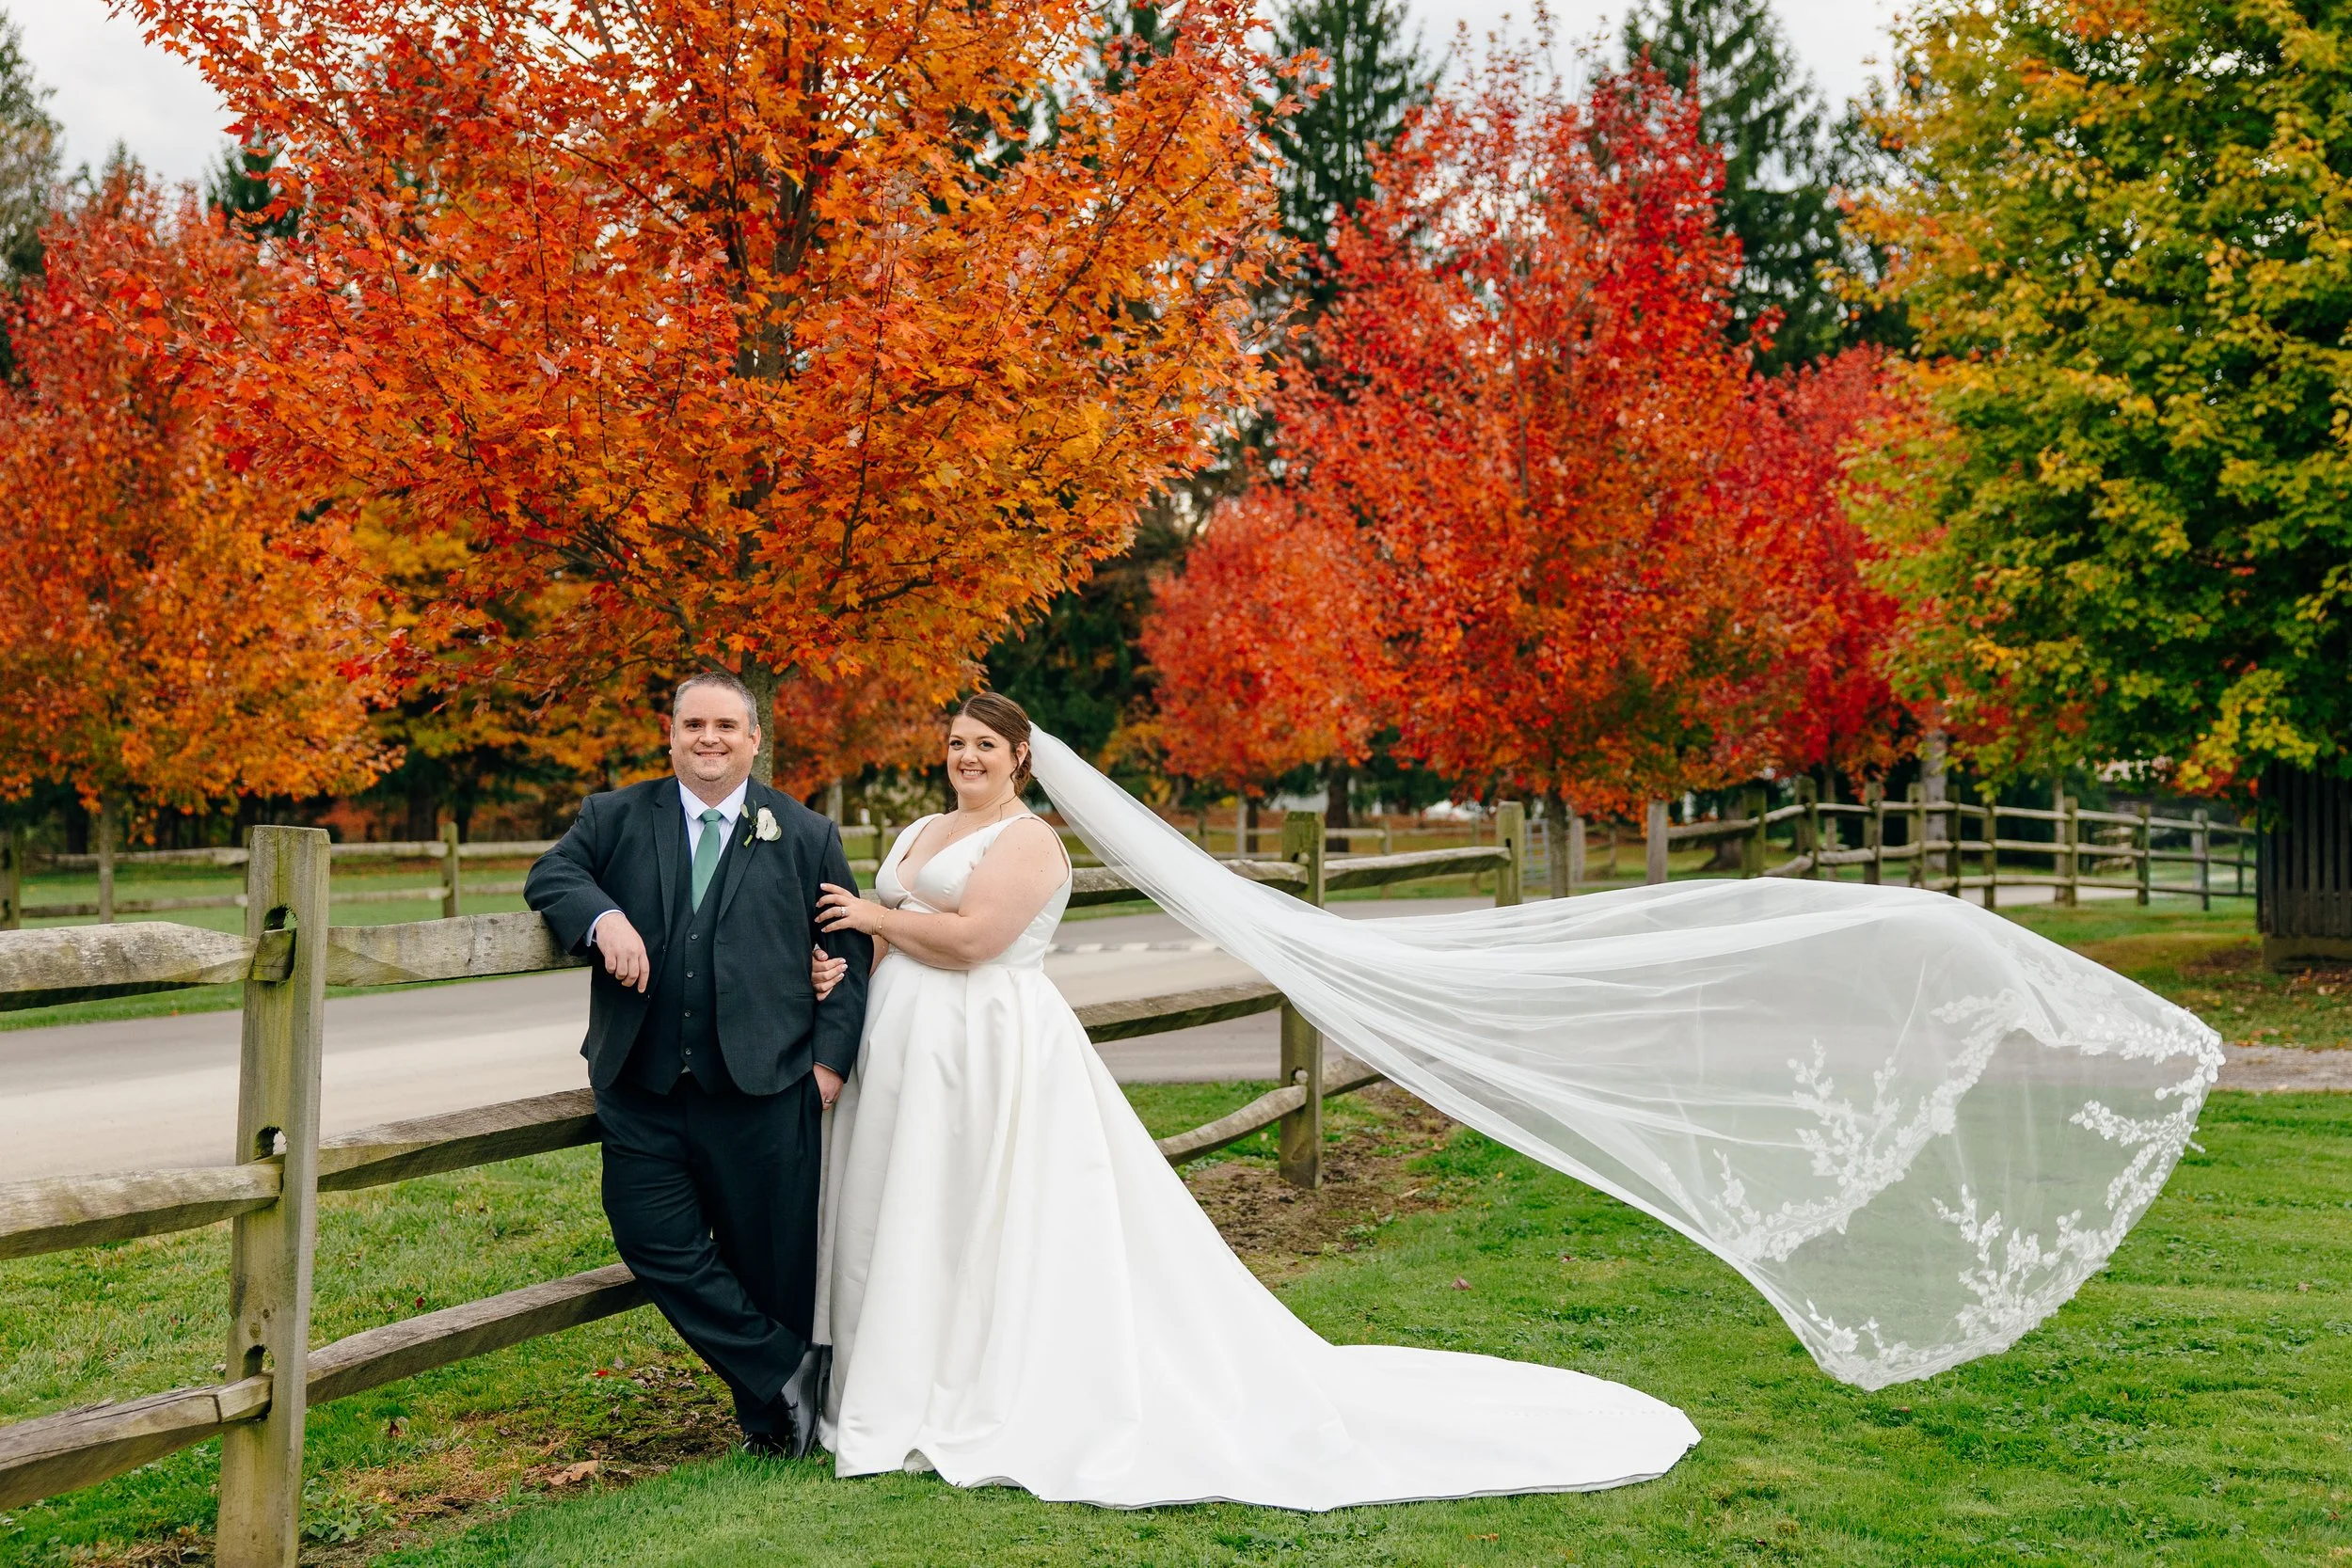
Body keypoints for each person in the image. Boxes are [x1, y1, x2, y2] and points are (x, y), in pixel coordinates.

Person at [805, 692, 1702, 1509]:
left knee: (986, 1214)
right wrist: (846, 963)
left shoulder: (1031, 840)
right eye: (957, 742)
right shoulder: (922, 825)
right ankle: (901, 1376)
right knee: (913, 1207)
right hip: (907, 1046)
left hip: (989, 1048)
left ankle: (981, 1381)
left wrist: (873, 918)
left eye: (985, 746)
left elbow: (973, 938)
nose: (966, 757)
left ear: (1020, 759)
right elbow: (895, 940)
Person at [526, 672, 872, 1459]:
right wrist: (603, 917)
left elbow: (848, 955)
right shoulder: (613, 815)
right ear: (671, 734)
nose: (708, 738)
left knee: (771, 1262)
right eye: (693, 724)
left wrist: (827, 1068)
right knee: (653, 1241)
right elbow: (551, 875)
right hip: (641, 1085)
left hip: (766, 1084)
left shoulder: (805, 832)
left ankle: (775, 1429)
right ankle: (790, 1370)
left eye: (725, 725)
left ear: (754, 739)